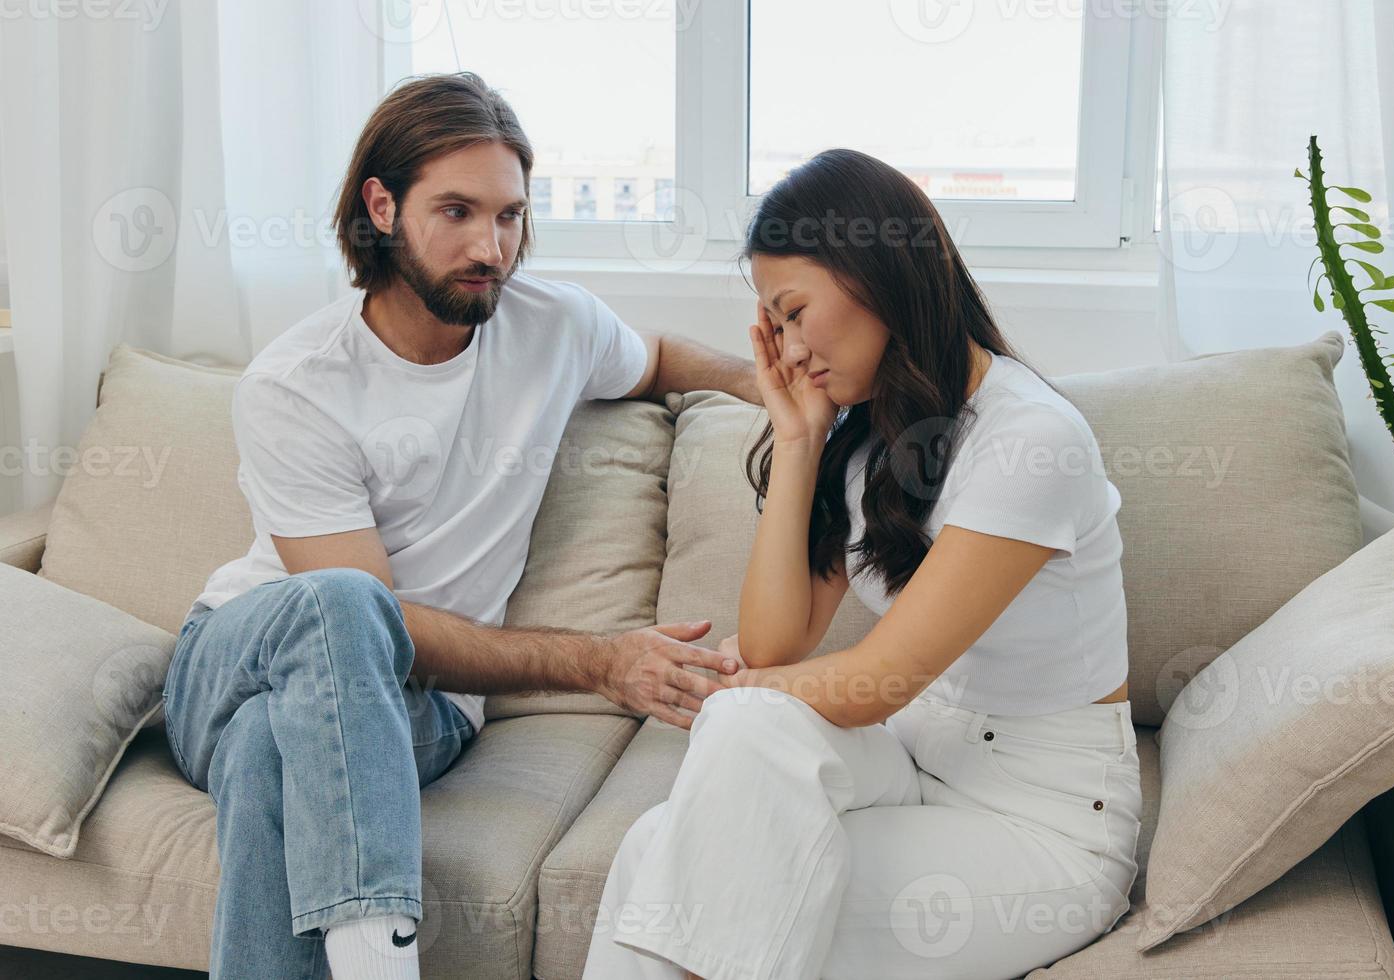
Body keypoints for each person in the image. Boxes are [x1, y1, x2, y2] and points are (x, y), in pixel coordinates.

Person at [160, 71, 759, 980]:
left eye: (511, 215)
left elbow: (662, 358)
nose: (492, 246)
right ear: (383, 205)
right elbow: (375, 621)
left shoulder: (553, 325)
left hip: (419, 712)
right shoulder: (298, 384)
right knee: (342, 607)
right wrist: (600, 660)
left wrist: (781, 391)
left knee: (270, 752)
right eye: (458, 212)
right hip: (234, 659)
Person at [583, 148, 1142, 980]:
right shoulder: (866, 439)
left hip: (1041, 822)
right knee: (668, 831)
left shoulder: (1031, 441)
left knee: (672, 871)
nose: (788, 346)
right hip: (917, 764)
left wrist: (729, 691)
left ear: (876, 272)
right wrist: (802, 439)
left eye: (796, 311)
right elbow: (776, 645)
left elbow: (876, 683)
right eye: (773, 325)